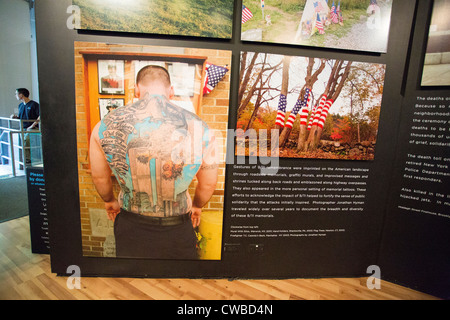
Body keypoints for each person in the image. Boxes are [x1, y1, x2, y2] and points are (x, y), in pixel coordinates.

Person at [89, 65, 218, 259]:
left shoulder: (104, 125)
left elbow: (99, 177)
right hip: (178, 227)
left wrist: (109, 201)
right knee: (178, 284)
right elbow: (208, 183)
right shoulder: (201, 127)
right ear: (171, 91)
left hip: (131, 225)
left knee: (133, 283)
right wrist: (198, 206)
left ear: (136, 89)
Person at [11, 88, 40, 165]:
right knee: (23, 143)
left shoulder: (34, 104)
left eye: (16, 94)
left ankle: (29, 160)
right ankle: (27, 159)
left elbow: (40, 116)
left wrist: (32, 125)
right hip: (23, 128)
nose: (15, 96)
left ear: (21, 95)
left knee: (26, 141)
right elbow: (20, 117)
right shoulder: (20, 105)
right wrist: (15, 117)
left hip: (32, 128)